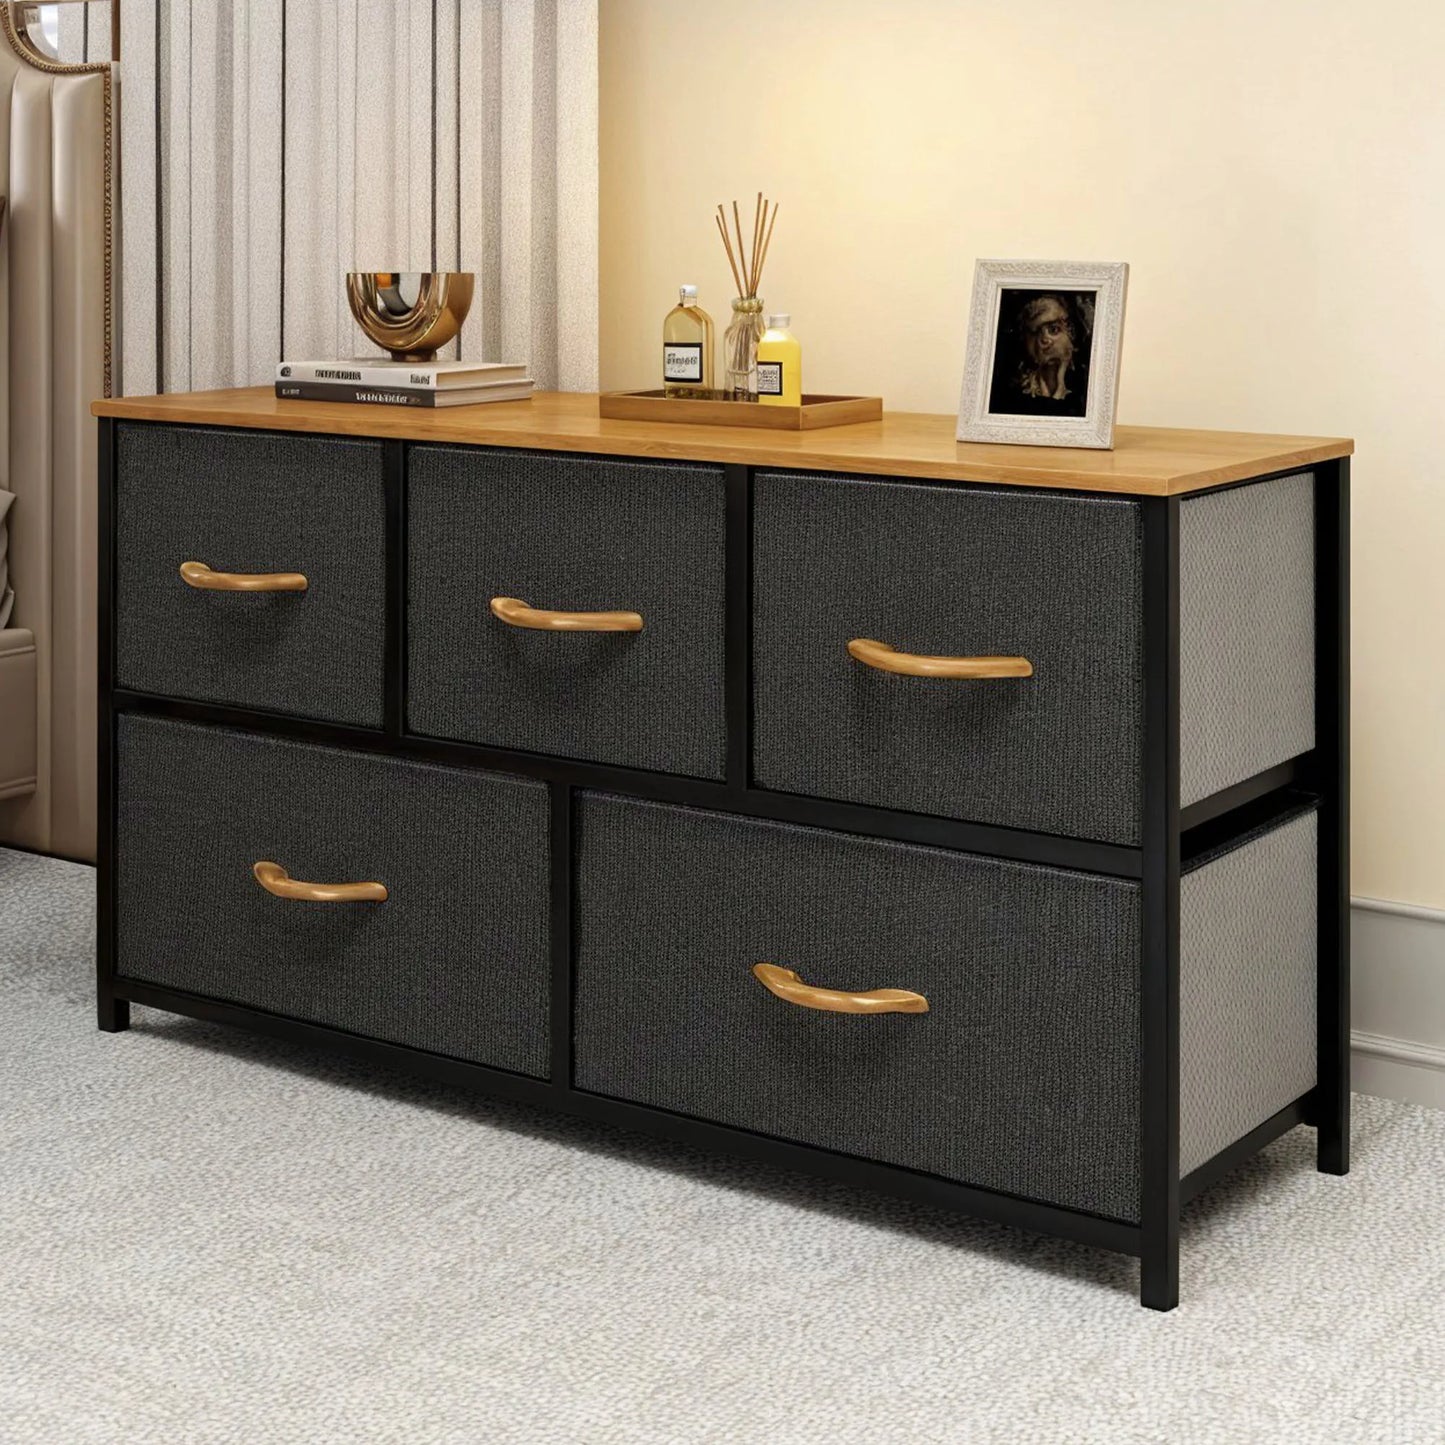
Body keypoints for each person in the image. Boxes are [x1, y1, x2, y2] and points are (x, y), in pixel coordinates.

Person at [988, 292, 1090, 417]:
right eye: (1035, 332)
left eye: (1053, 329)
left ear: (1071, 334)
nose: (1044, 340)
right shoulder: (1012, 394)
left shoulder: (1085, 387)